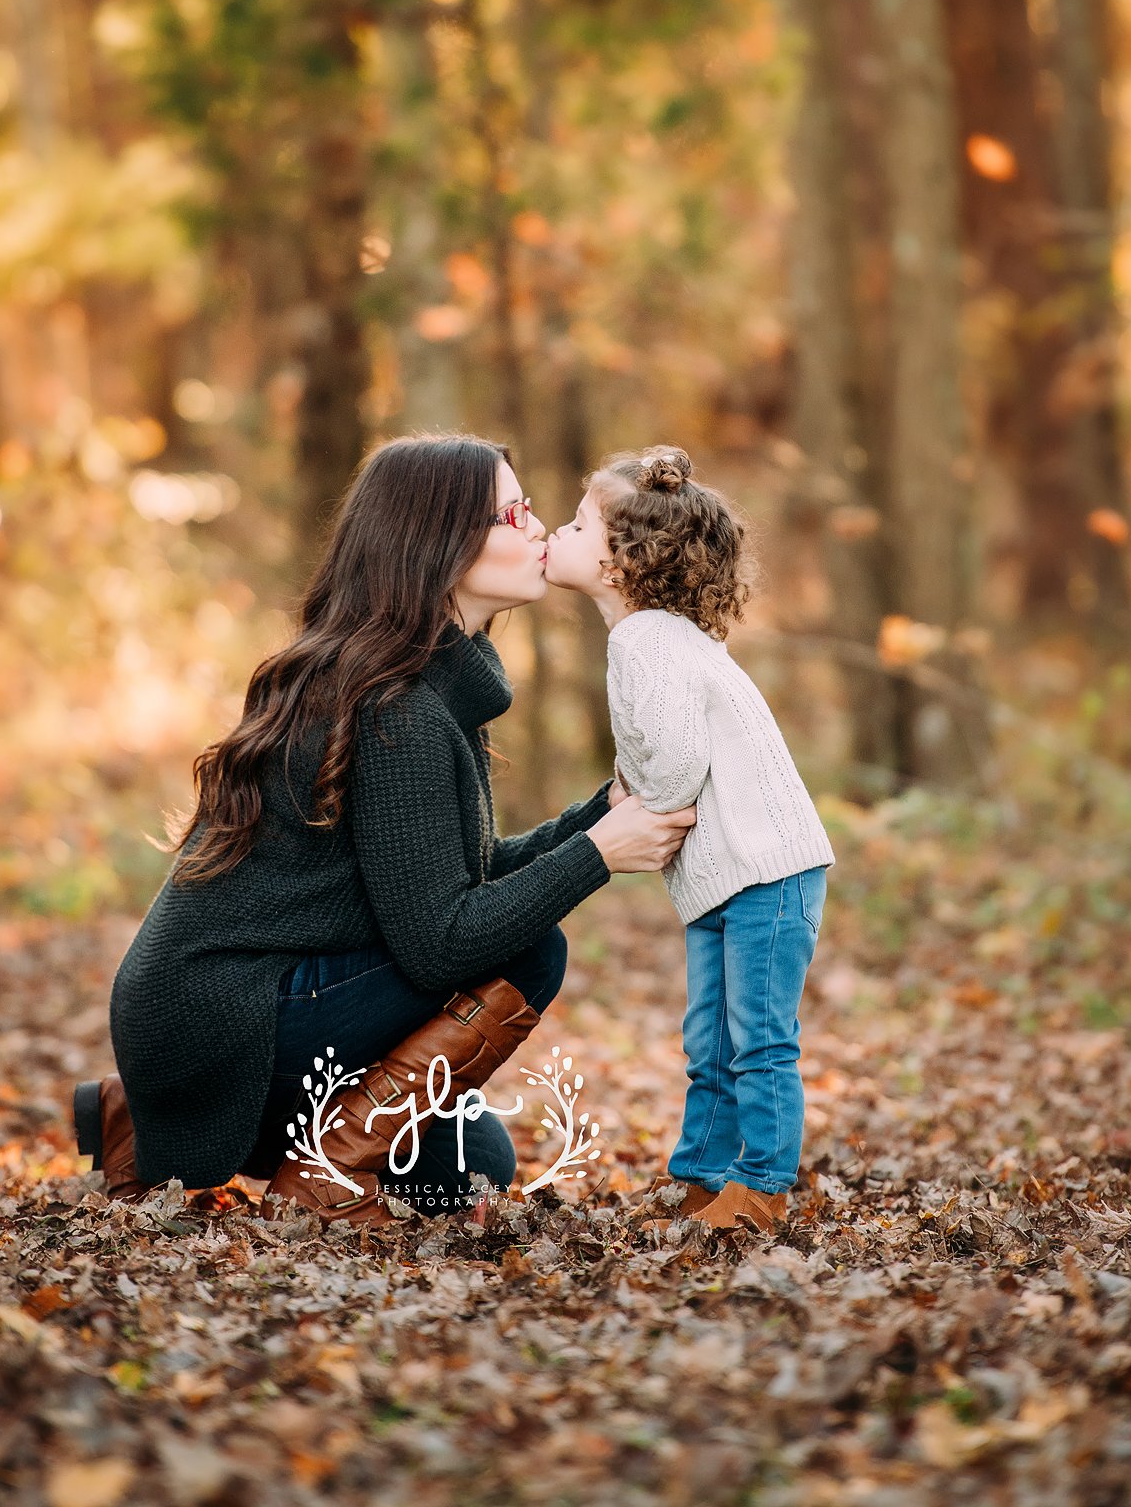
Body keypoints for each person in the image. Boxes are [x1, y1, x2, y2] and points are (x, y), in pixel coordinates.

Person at [73, 431, 696, 1226]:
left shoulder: (424, 682)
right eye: (514, 513)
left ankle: (143, 1120)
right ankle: (322, 1175)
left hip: (228, 1011)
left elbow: (446, 878)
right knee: (531, 946)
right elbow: (443, 942)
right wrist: (594, 858)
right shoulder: (394, 707)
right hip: (225, 1010)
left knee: (468, 1170)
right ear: (440, 542)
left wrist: (594, 818)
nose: (538, 528)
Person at [543, 443, 836, 1235]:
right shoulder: (651, 638)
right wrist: (628, 783)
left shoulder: (647, 641)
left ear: (619, 562)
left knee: (757, 1040)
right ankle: (703, 1175)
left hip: (766, 870)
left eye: (575, 526)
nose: (554, 536)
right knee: (708, 1036)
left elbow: (672, 764)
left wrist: (637, 803)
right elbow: (658, 744)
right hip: (726, 874)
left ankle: (762, 1186)